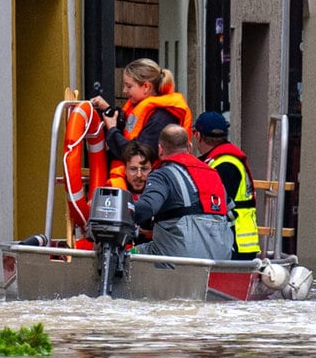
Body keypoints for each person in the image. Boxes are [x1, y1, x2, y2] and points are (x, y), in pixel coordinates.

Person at [131, 125, 233, 261]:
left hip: (180, 259)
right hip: (220, 259)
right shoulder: (212, 173)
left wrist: (120, 211)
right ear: (190, 147)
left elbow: (147, 207)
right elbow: (228, 211)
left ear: (160, 149)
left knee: (130, 255)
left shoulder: (162, 174)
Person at [92, 58, 193, 183]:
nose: (124, 91)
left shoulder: (161, 117)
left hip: (149, 184)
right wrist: (107, 110)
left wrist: (112, 130)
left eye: (129, 86)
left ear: (146, 87)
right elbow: (128, 133)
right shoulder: (142, 109)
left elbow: (139, 156)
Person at [193, 111, 260, 260]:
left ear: (198, 135)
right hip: (236, 240)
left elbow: (214, 206)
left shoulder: (224, 164)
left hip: (234, 241)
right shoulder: (224, 160)